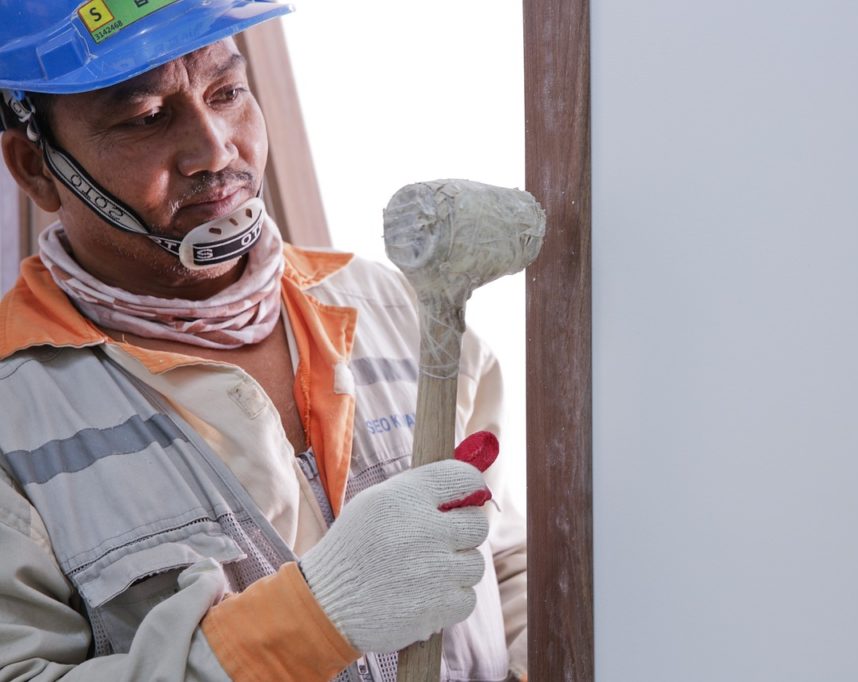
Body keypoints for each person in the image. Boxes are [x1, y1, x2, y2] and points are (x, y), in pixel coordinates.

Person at [0, 1, 527, 680]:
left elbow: (509, 564)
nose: (217, 148)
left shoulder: (395, 306)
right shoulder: (15, 417)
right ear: (36, 168)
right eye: (146, 118)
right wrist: (314, 619)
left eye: (228, 92)